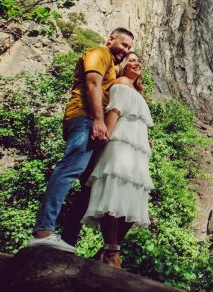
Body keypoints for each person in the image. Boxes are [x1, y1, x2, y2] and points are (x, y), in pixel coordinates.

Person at [25, 28, 134, 253]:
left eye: (129, 48)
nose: (126, 51)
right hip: (84, 118)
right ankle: (43, 231)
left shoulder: (113, 68)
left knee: (89, 184)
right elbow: (92, 84)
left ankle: (67, 241)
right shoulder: (99, 53)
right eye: (123, 45)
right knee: (69, 170)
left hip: (94, 123)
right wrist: (97, 119)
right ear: (111, 39)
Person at [81, 51, 153, 269]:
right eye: (131, 60)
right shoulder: (120, 83)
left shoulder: (138, 92)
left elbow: (136, 118)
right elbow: (114, 111)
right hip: (120, 143)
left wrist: (145, 138)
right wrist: (105, 136)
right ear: (121, 67)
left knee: (132, 196)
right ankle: (112, 251)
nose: (136, 62)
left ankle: (110, 249)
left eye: (138, 60)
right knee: (114, 192)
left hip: (136, 149)